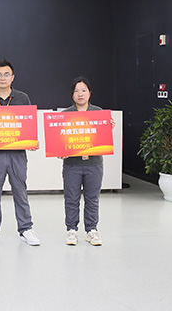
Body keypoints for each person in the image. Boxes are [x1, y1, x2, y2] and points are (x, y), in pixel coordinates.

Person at [0, 59, 40, 246]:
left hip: (17, 154)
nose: (2, 78)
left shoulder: (22, 98)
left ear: (12, 77)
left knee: (20, 191)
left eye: (6, 74)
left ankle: (26, 228)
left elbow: (28, 125)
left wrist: (32, 141)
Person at [61, 77, 114, 246]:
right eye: (76, 91)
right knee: (71, 199)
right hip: (72, 165)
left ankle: (92, 230)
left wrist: (108, 126)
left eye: (83, 90)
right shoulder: (65, 115)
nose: (80, 94)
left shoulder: (99, 113)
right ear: (72, 94)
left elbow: (102, 137)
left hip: (94, 164)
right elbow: (60, 140)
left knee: (92, 199)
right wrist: (59, 150)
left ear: (89, 93)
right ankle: (71, 230)